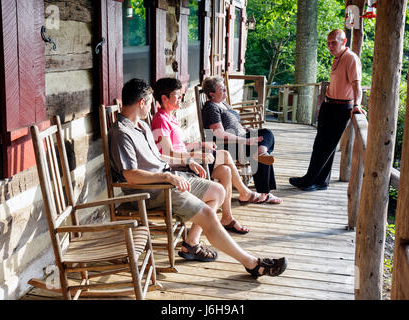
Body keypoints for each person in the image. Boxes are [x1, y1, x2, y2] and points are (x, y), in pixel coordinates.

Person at [108, 78, 287, 278]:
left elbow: (159, 157)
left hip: (170, 178)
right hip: (153, 191)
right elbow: (131, 176)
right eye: (150, 102)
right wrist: (167, 177)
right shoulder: (121, 133)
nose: (151, 106)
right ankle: (252, 263)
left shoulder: (141, 126)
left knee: (218, 191)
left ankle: (191, 243)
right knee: (209, 215)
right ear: (141, 102)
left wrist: (187, 162)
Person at [152, 77, 267, 234]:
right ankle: (245, 192)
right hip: (180, 167)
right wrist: (193, 156)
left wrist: (201, 145)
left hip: (188, 160)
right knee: (225, 155)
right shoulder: (160, 120)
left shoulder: (170, 117)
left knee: (226, 171)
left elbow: (181, 145)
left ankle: (227, 218)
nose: (181, 98)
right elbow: (166, 152)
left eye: (181, 94)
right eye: (177, 95)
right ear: (164, 98)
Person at [289, 29, 366, 191]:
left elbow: (356, 85)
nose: (330, 46)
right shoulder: (337, 58)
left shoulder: (351, 58)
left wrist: (357, 105)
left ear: (344, 42)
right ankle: (319, 181)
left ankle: (310, 181)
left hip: (341, 108)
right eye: (328, 42)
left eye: (334, 42)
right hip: (329, 105)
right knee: (320, 145)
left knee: (327, 146)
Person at [201, 76, 282, 204]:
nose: (225, 91)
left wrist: (245, 129)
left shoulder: (224, 104)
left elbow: (233, 124)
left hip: (242, 138)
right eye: (221, 89)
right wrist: (245, 141)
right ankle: (264, 192)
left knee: (266, 133)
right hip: (229, 145)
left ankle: (262, 152)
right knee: (255, 147)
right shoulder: (211, 108)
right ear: (211, 94)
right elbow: (219, 133)